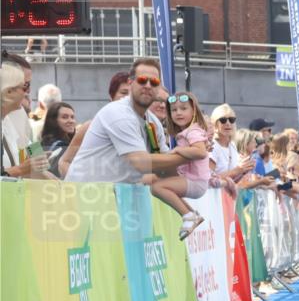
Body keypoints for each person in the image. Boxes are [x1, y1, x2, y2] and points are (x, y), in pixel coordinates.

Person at [65, 58, 185, 184]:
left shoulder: (153, 122)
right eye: (142, 80)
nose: (148, 85)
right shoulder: (118, 113)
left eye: (154, 82)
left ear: (159, 87)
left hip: (117, 191)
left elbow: (166, 165)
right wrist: (188, 157)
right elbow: (140, 162)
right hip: (85, 191)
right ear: (130, 83)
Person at [150, 92, 212, 240]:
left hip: (195, 181)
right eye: (174, 110)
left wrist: (178, 150)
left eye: (183, 108)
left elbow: (201, 152)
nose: (178, 113)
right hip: (194, 180)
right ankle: (192, 214)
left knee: (157, 187)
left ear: (193, 111)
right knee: (160, 179)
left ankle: (187, 215)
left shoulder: (193, 131)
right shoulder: (187, 132)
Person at [1, 60, 48, 178]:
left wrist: (39, 157)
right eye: (25, 85)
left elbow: (28, 141)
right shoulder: (11, 112)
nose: (28, 91)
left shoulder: (18, 112)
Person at [39, 101, 76, 177]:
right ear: (53, 121)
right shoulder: (63, 146)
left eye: (72, 117)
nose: (71, 121)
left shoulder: (43, 142)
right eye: (65, 117)